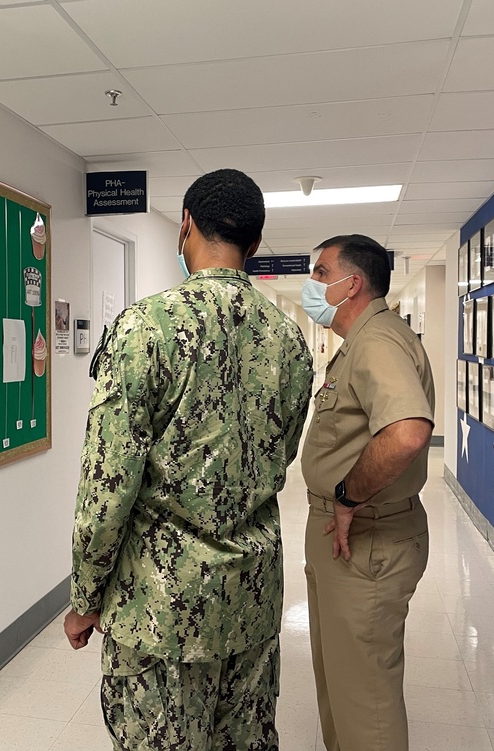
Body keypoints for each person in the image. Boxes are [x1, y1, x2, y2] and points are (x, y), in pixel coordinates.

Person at [65, 168, 313, 750]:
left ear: (185, 227)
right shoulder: (289, 339)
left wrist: (84, 597)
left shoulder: (143, 330)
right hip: (251, 598)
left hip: (161, 607)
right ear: (254, 246)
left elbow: (107, 488)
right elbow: (281, 455)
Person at [299, 235, 435, 751]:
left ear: (350, 283)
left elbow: (406, 431)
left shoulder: (376, 341)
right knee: (342, 684)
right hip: (349, 541)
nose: (312, 284)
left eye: (320, 272)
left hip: (367, 540)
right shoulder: (364, 340)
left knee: (366, 704)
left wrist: (349, 497)